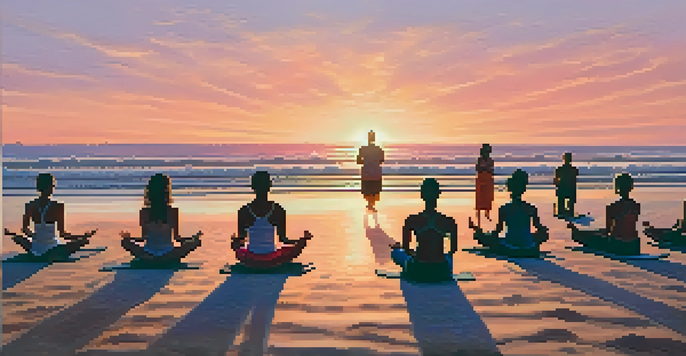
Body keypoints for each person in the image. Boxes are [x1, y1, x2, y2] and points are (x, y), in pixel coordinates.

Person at [231, 171, 312, 268]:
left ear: (252, 187)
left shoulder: (243, 211)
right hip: (272, 259)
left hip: (250, 259)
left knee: (237, 248)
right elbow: (284, 240)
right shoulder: (278, 210)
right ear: (270, 186)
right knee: (291, 250)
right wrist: (301, 241)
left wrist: (235, 242)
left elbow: (242, 239)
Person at [6, 173, 96, 259]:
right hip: (53, 249)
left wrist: (35, 236)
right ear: (49, 187)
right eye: (52, 186)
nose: (53, 188)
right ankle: (53, 255)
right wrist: (81, 237)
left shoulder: (30, 205)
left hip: (35, 248)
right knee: (83, 242)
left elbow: (25, 229)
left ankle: (13, 236)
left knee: (20, 239)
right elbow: (63, 234)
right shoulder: (58, 206)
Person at [120, 174, 202, 263]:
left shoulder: (145, 212)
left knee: (125, 243)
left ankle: (149, 258)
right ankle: (163, 259)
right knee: (194, 243)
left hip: (148, 252)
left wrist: (129, 238)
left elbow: (143, 238)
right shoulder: (172, 211)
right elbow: (177, 238)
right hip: (168, 253)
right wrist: (192, 240)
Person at [390, 178, 458, 281]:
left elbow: (407, 250)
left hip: (419, 270)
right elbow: (453, 250)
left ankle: (397, 249)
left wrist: (414, 253)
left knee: (397, 253)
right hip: (441, 272)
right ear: (438, 195)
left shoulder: (411, 220)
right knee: (448, 258)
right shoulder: (449, 222)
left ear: (422, 195)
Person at [469, 169, 549, 255]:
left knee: (490, 239)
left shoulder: (504, 209)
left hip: (510, 245)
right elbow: (540, 228)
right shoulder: (531, 208)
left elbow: (497, 231)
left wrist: (482, 234)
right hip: (528, 246)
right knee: (540, 235)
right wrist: (543, 230)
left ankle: (477, 231)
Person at [569, 173, 640, 255]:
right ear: (631, 187)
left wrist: (587, 233)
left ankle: (578, 233)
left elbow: (607, 230)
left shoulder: (612, 207)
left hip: (619, 245)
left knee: (593, 239)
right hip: (634, 245)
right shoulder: (636, 206)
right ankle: (580, 233)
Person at [357, 130, 385, 211]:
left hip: (367, 171)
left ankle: (370, 204)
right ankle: (371, 204)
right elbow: (381, 160)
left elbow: (358, 161)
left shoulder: (363, 149)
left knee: (368, 189)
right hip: (376, 171)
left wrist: (366, 161)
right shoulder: (379, 149)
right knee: (374, 189)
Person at [475, 143, 495, 227]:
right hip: (481, 179)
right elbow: (478, 169)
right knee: (480, 197)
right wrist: (485, 169)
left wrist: (485, 169)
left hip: (488, 179)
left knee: (488, 197)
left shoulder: (490, 160)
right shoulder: (480, 160)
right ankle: (479, 215)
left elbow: (491, 170)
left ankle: (487, 212)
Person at [554, 152, 579, 218]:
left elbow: (555, 181)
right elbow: (574, 181)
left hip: (562, 189)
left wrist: (557, 186)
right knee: (570, 207)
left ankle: (562, 211)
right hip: (570, 190)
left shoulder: (559, 169)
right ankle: (569, 211)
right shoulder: (574, 170)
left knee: (561, 206)